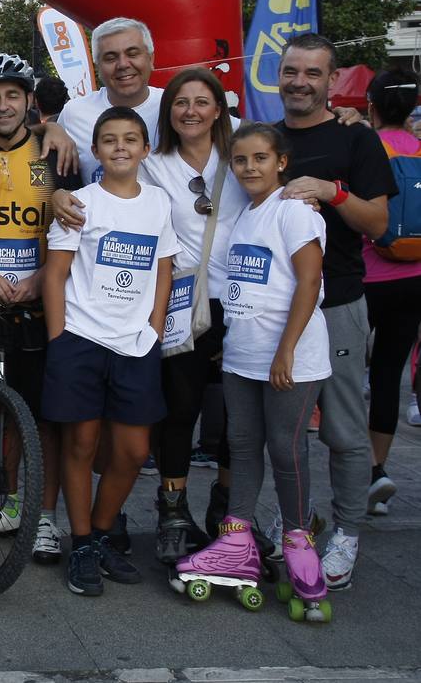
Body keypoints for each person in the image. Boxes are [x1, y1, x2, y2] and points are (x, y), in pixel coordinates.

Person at [176, 122, 332, 618]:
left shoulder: (293, 213)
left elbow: (309, 282)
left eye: (260, 159)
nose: (249, 168)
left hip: (290, 358)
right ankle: (238, 538)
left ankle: (300, 546)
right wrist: (235, 342)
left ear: (281, 161)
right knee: (242, 447)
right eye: (241, 161)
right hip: (243, 356)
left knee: (287, 451)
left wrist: (285, 350)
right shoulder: (247, 213)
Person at [0, 54, 80, 564]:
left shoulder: (57, 157)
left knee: (44, 416)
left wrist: (40, 281)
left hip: (41, 298)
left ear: (30, 101)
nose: (3, 105)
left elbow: (74, 230)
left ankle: (43, 518)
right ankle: (8, 504)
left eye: (12, 95)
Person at [272, 33, 392, 591]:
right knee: (286, 434)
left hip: (337, 303)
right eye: (292, 70)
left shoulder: (356, 142)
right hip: (272, 309)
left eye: (312, 73)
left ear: (331, 79)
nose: (300, 81)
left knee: (342, 431)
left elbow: (377, 224)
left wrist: (333, 191)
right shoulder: (262, 140)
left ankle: (347, 532)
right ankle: (300, 522)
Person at [41, 106, 177, 596]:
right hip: (80, 338)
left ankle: (99, 534)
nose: (121, 146)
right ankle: (80, 543)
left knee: (134, 451)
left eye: (131, 138)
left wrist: (155, 328)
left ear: (144, 148)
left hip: (135, 344)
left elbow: (164, 267)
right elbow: (55, 274)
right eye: (110, 139)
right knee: (80, 445)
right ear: (96, 150)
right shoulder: (79, 201)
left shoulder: (159, 203)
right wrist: (59, 339)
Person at [132, 67, 247, 563]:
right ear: (168, 112)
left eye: (202, 102)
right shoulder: (153, 164)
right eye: (181, 103)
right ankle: (173, 513)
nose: (191, 111)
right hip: (181, 303)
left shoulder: (241, 152)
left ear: (220, 110)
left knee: (240, 418)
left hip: (245, 300)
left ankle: (231, 518)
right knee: (181, 410)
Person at [359, 69, 421, 516]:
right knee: (388, 373)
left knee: (339, 378)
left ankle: (351, 463)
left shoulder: (366, 148)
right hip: (413, 278)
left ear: (371, 105)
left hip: (365, 277)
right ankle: (377, 469)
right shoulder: (420, 151)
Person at [56, 18, 165, 183]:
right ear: (98, 66)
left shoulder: (174, 108)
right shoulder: (74, 114)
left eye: (133, 54)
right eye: (110, 57)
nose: (122, 64)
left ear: (151, 59)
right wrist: (48, 129)